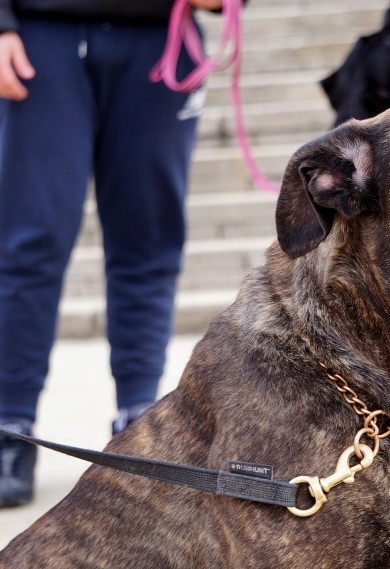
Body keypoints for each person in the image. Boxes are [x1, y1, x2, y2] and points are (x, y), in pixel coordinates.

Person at [0, 0, 225, 508]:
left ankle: (139, 422)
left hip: (158, 36)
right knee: (28, 239)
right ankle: (9, 427)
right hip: (40, 34)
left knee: (148, 238)